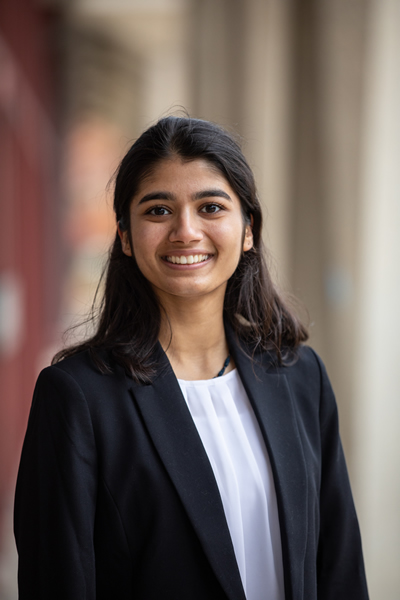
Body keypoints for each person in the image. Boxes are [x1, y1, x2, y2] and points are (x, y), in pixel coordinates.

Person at [14, 116, 369, 600]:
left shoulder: (300, 376)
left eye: (210, 207)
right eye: (158, 210)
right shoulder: (78, 398)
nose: (186, 230)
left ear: (248, 230)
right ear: (124, 235)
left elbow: (340, 569)